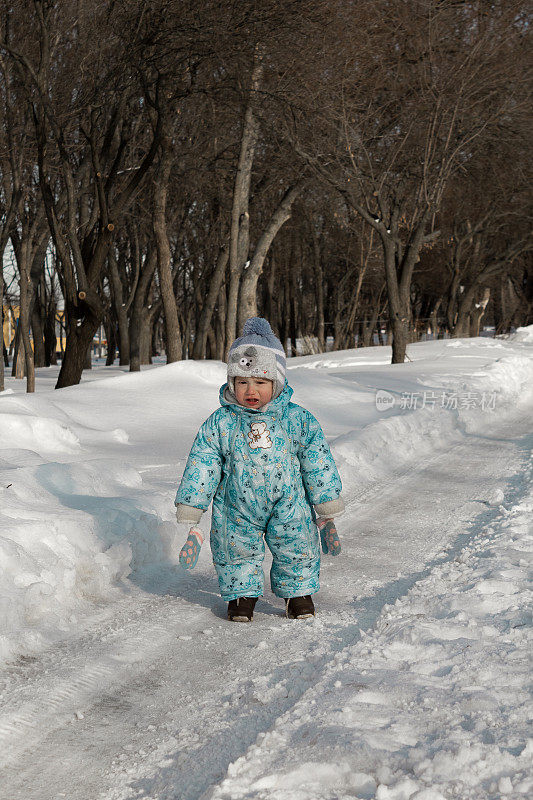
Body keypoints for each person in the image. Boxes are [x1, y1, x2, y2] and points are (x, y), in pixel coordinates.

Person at [175, 317, 344, 622]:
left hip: (288, 501)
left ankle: (299, 593)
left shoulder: (297, 419)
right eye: (242, 381)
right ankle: (242, 596)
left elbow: (317, 460)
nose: (250, 390)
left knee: (297, 544)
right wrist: (192, 504)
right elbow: (203, 463)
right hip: (236, 505)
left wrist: (325, 500)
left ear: (276, 383)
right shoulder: (222, 422)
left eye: (261, 382)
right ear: (231, 383)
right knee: (235, 547)